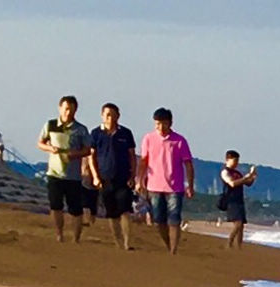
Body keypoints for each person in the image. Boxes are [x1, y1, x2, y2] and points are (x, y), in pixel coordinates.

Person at [138, 108, 195, 255]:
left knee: (174, 218)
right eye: (157, 124)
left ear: (170, 123)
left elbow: (188, 164)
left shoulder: (179, 141)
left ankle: (173, 251)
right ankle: (168, 245)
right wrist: (139, 180)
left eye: (164, 124)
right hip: (154, 186)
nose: (161, 127)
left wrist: (190, 184)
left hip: (175, 187)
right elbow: (144, 161)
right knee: (158, 220)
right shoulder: (148, 139)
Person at [84, 104, 141, 252]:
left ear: (118, 116)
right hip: (104, 179)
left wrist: (133, 175)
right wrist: (95, 177)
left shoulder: (126, 133)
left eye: (113, 114)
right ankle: (118, 243)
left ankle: (128, 243)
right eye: (107, 114)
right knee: (112, 213)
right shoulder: (96, 133)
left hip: (123, 178)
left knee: (125, 211)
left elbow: (132, 156)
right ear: (102, 115)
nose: (110, 118)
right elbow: (92, 156)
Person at [38, 95, 92, 239]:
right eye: (66, 109)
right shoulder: (50, 125)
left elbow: (88, 150)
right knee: (56, 206)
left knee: (76, 209)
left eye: (72, 110)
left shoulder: (81, 129)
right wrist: (50, 149)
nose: (68, 113)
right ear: (60, 108)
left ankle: (76, 238)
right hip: (54, 173)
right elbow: (40, 143)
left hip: (73, 175)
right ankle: (59, 234)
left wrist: (76, 153)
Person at [215, 150, 258, 248]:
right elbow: (232, 183)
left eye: (237, 161)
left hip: (239, 200)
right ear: (228, 160)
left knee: (241, 225)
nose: (236, 163)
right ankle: (229, 243)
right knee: (238, 223)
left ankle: (239, 246)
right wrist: (245, 178)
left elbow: (248, 183)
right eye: (234, 161)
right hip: (231, 200)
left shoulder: (237, 173)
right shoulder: (225, 172)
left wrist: (252, 176)